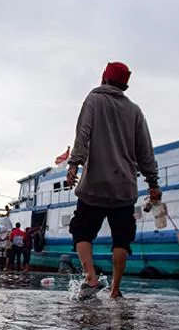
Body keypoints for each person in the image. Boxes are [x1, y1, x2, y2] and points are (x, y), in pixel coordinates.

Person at [66, 61, 161, 300]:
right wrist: (153, 183)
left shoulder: (94, 100)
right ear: (124, 85)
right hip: (124, 188)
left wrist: (74, 164)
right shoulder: (135, 110)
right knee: (122, 238)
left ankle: (91, 278)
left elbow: (83, 133)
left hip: (94, 186)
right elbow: (145, 152)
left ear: (104, 79)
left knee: (81, 232)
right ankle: (115, 289)